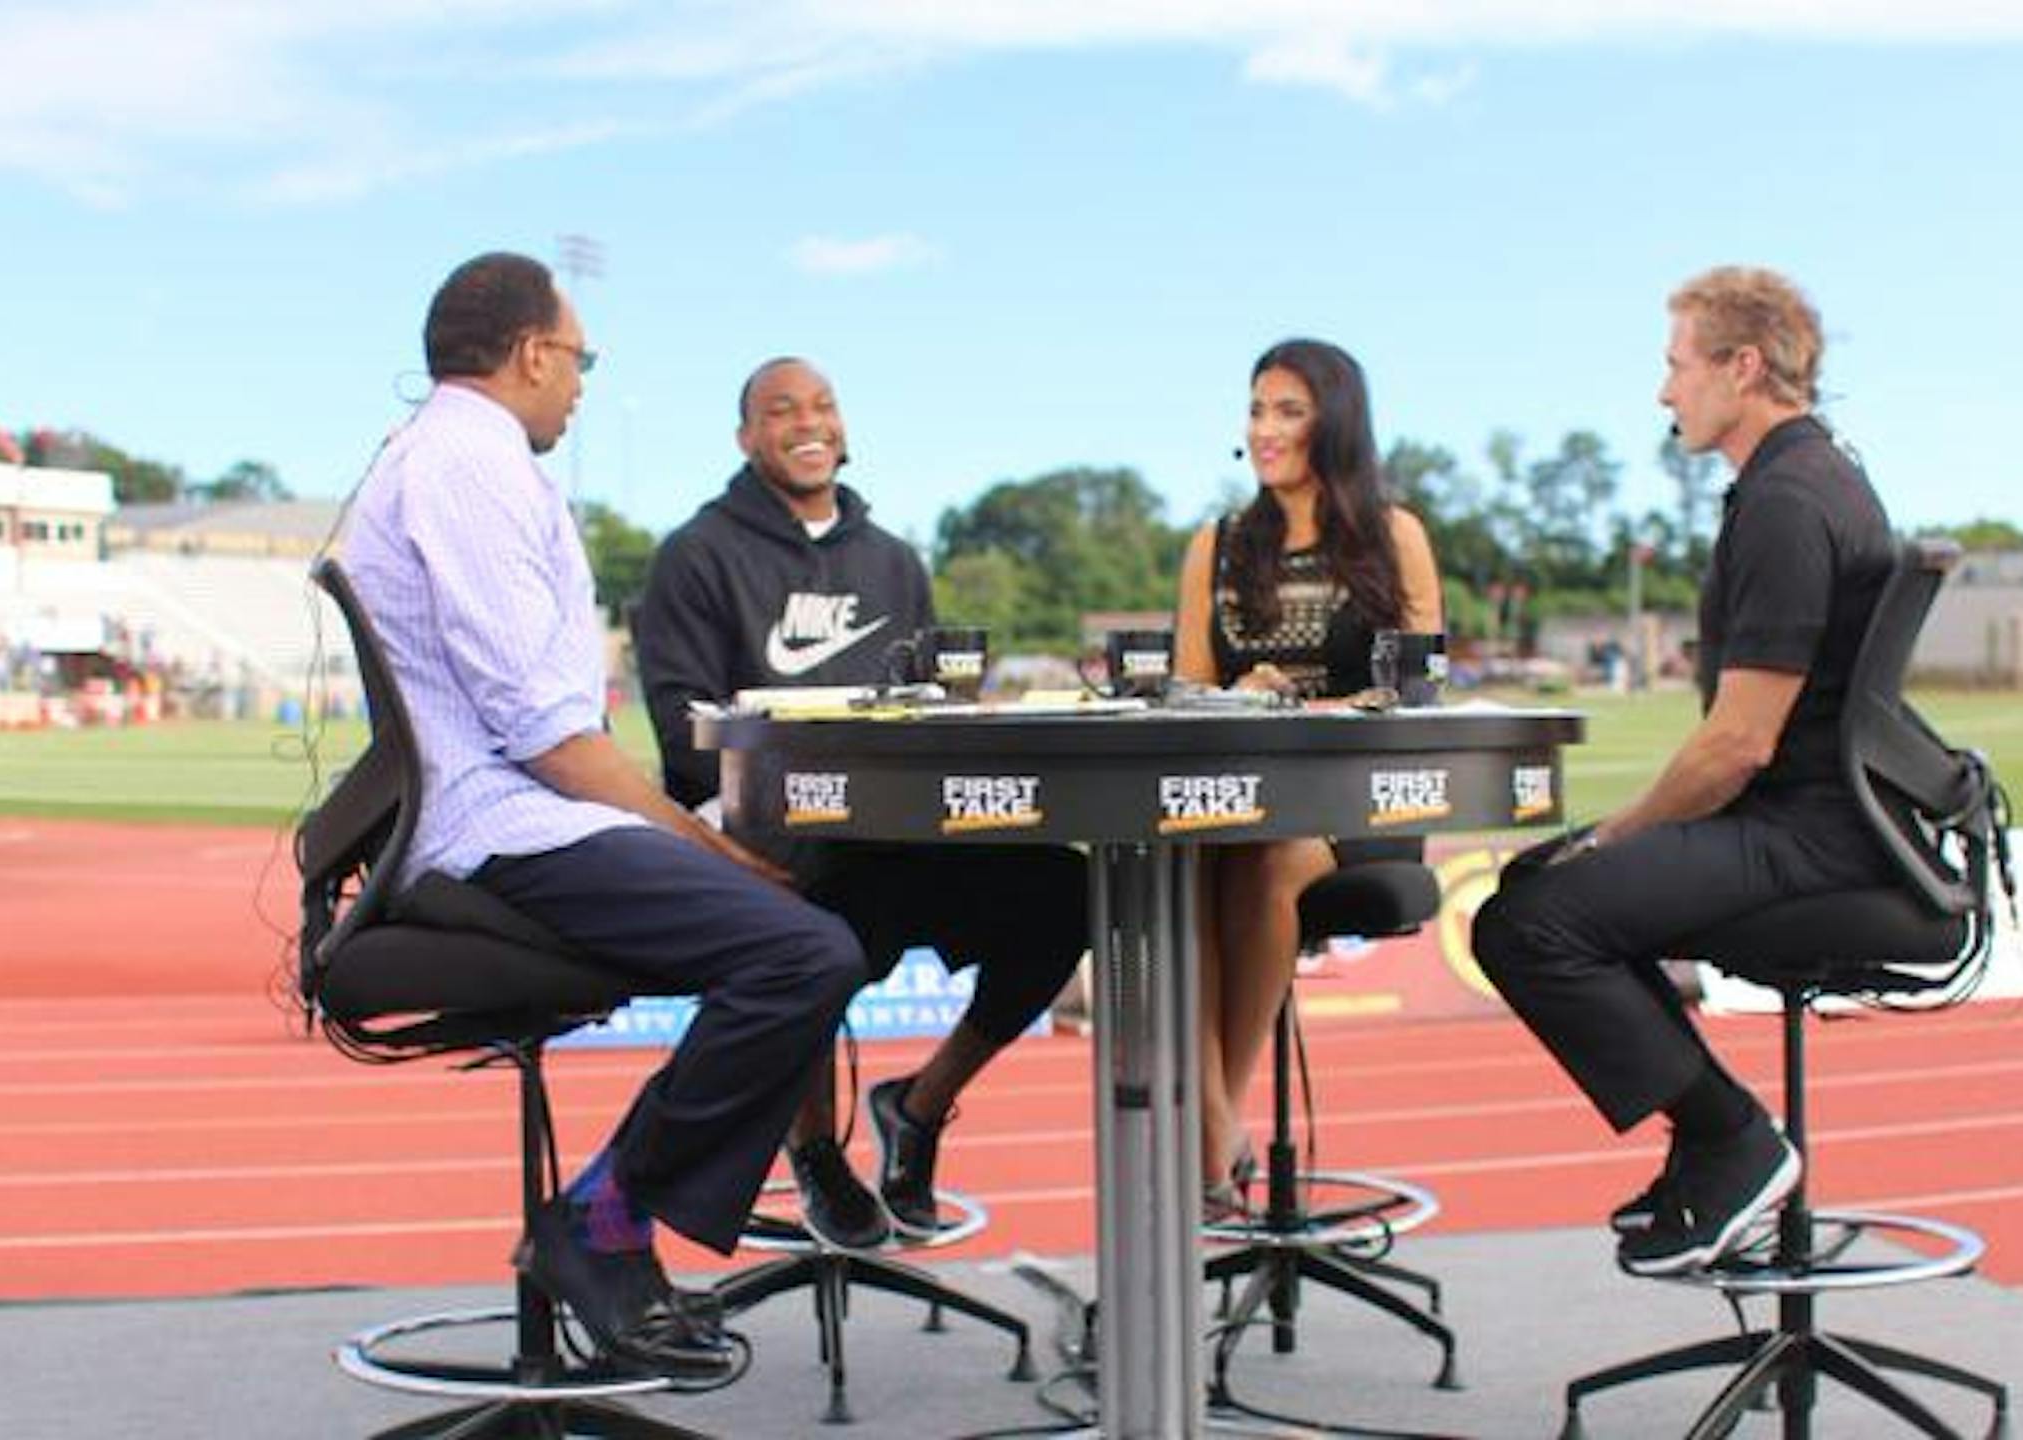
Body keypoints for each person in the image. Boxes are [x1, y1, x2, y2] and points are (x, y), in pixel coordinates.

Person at [339, 254, 870, 1374]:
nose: (581, 387)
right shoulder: (468, 464)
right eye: (581, 360)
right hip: (500, 826)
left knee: (808, 931)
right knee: (804, 952)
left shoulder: (453, 455)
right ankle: (601, 1224)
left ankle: (610, 1219)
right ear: (534, 353)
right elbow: (549, 737)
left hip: (514, 811)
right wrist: (709, 847)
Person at [1473, 266, 1897, 1276]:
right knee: (1545, 886)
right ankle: (1713, 1147)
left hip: (1810, 835)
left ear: (1741, 367)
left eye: (1677, 366)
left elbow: (1739, 743)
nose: (1666, 391)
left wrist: (1615, 834)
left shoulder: (1787, 502)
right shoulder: (1816, 474)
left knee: (1528, 920)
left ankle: (1732, 1142)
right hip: (1824, 819)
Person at [632, 356, 1086, 1247]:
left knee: (1061, 892)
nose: (808, 422)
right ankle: (814, 1152)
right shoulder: (696, 553)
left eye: (823, 405)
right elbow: (682, 730)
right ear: (746, 437)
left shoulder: (894, 562)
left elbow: (932, 706)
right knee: (811, 923)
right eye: (781, 409)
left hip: (902, 831)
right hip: (769, 833)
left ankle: (918, 1108)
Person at [1172, 338, 1444, 1215]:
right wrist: (1239, 696)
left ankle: (1213, 1123)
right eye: (1257, 409)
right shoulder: (1214, 545)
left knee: (1268, 858)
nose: (1265, 428)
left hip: (1361, 799)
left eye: (1288, 410)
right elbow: (1186, 697)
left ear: (1336, 423)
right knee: (1176, 865)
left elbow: (1418, 691)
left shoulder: (1396, 536)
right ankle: (1213, 1124)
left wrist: (1304, 704)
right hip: (1233, 800)